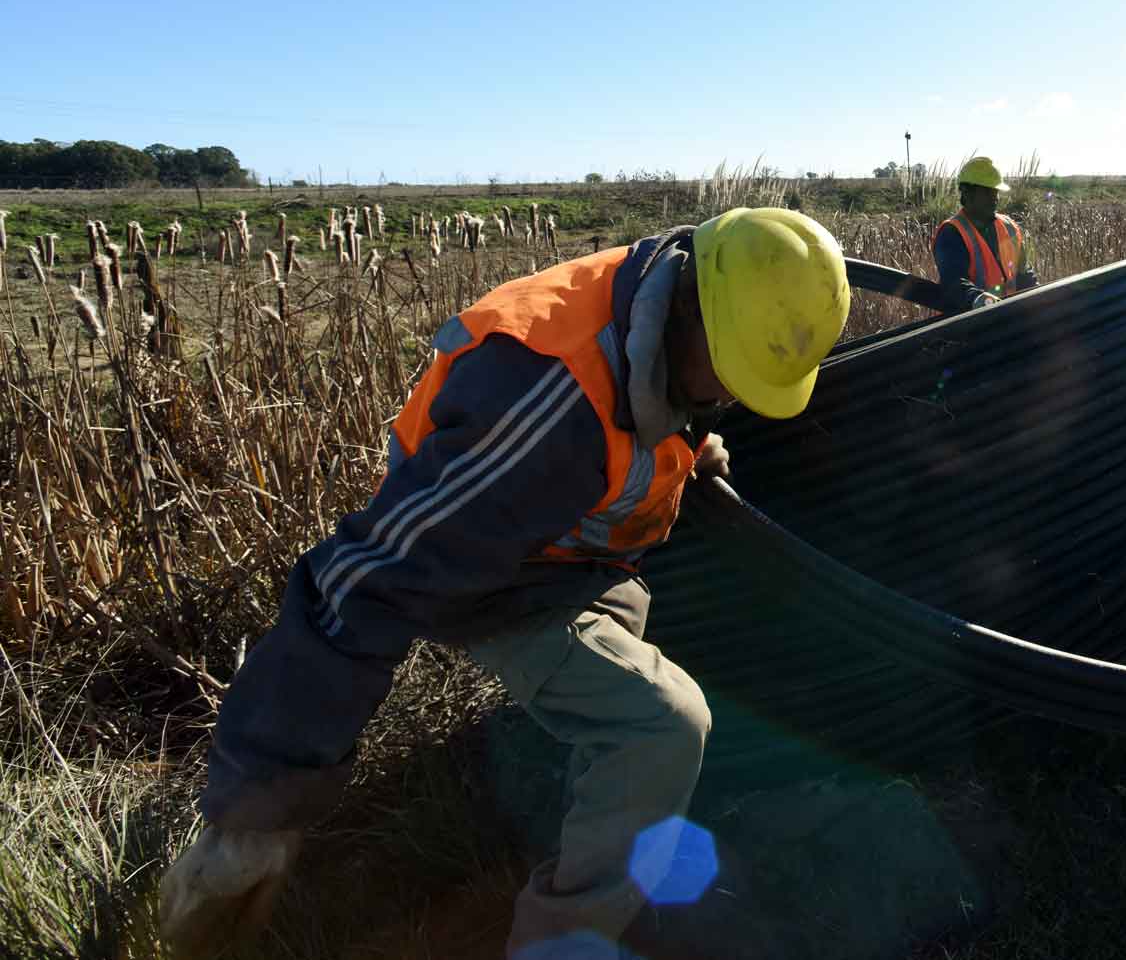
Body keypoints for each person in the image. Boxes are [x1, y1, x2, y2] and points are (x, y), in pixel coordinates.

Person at [158, 207, 851, 959]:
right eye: (729, 374)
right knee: (665, 724)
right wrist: (261, 806)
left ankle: (584, 806)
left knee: (650, 671)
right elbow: (367, 583)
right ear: (688, 311)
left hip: (573, 549)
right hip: (501, 578)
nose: (735, 396)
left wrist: (694, 431)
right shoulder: (545, 408)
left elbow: (658, 399)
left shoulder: (672, 298)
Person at [931, 155, 1037, 311]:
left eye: (995, 191)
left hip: (1013, 320)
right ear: (966, 193)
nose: (994, 198)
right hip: (972, 326)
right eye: (987, 192)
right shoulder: (951, 233)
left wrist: (1039, 297)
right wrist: (980, 300)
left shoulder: (1010, 227)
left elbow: (1024, 275)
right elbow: (953, 283)